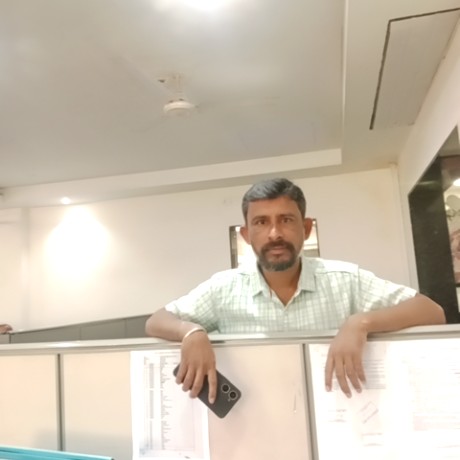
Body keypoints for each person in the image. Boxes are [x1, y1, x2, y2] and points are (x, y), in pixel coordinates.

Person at [145, 178, 445, 401]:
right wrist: (191, 332)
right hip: (253, 422)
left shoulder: (345, 280)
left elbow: (432, 312)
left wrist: (360, 322)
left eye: (286, 220)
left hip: (340, 418)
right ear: (247, 235)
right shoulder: (223, 288)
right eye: (261, 222)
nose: (275, 233)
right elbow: (156, 320)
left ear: (306, 228)